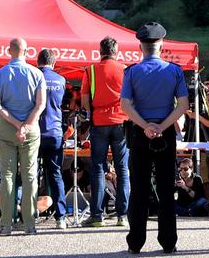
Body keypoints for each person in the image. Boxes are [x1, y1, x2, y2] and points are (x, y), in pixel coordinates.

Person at [121, 21, 190, 255]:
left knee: (139, 188)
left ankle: (135, 242)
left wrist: (145, 126)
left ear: (141, 46)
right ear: (161, 45)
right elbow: (183, 105)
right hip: (166, 131)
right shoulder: (174, 71)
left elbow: (125, 104)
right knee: (166, 187)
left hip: (140, 133)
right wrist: (161, 126)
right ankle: (168, 242)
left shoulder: (131, 72)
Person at [0, 37, 46, 236]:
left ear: (9, 51)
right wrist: (27, 125)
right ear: (26, 51)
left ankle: (5, 224)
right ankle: (29, 224)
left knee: (7, 175)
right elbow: (40, 105)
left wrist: (15, 124)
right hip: (31, 131)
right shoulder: (37, 74)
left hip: (6, 129)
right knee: (30, 176)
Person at [81, 36, 130, 228]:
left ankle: (97, 216)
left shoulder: (90, 70)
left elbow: (85, 101)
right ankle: (122, 215)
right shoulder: (125, 70)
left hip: (99, 123)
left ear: (100, 51)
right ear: (116, 51)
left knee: (98, 169)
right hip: (121, 122)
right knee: (122, 170)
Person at [36, 49, 68, 229]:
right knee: (56, 175)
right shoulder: (60, 80)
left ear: (37, 61)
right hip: (55, 132)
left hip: (35, 132)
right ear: (54, 63)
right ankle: (61, 218)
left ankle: (26, 215)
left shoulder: (33, 76)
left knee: (29, 175)